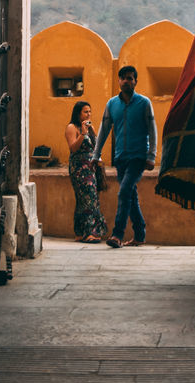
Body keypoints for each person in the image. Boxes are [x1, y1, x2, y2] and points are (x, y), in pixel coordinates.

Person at [92, 65, 157, 249]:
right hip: (120, 157)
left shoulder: (144, 103)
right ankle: (140, 234)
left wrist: (151, 155)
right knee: (130, 195)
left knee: (124, 191)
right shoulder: (112, 104)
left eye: (130, 78)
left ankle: (117, 234)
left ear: (135, 81)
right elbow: (104, 130)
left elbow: (152, 130)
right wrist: (96, 154)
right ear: (119, 81)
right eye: (123, 78)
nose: (126, 81)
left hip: (138, 156)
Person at [65, 100, 107, 243]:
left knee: (90, 198)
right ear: (78, 113)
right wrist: (82, 134)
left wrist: (93, 133)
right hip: (78, 168)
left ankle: (80, 233)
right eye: (85, 111)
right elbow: (73, 148)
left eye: (90, 111)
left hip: (91, 168)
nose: (89, 114)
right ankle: (88, 233)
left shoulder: (90, 127)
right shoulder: (72, 127)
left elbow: (97, 147)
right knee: (87, 198)